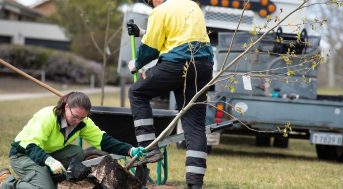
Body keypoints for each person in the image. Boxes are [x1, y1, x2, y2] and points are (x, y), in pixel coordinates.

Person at [127, 0, 213, 188]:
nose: (151, 5)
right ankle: (194, 183)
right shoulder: (191, 5)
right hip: (203, 66)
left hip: (177, 64)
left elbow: (151, 48)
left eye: (150, 2)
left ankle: (149, 148)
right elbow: (178, 34)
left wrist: (137, 63)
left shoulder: (160, 11)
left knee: (137, 93)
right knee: (195, 125)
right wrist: (142, 32)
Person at [0, 92, 146, 189]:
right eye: (75, 116)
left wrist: (130, 150)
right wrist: (49, 161)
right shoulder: (47, 116)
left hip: (46, 153)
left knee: (77, 152)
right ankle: (8, 182)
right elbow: (30, 145)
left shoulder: (83, 122)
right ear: (66, 107)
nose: (77, 121)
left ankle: (47, 176)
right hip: (23, 154)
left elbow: (104, 140)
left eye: (82, 118)